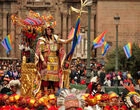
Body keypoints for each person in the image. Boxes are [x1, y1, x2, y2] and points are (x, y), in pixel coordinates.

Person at [35, 20, 73, 92]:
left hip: (55, 61)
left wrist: (73, 38)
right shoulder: (42, 40)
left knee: (55, 79)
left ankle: (56, 93)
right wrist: (43, 61)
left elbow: (65, 41)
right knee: (45, 78)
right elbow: (40, 52)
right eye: (47, 29)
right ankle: (46, 93)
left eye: (50, 29)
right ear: (45, 31)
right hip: (46, 60)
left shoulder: (55, 38)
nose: (49, 31)